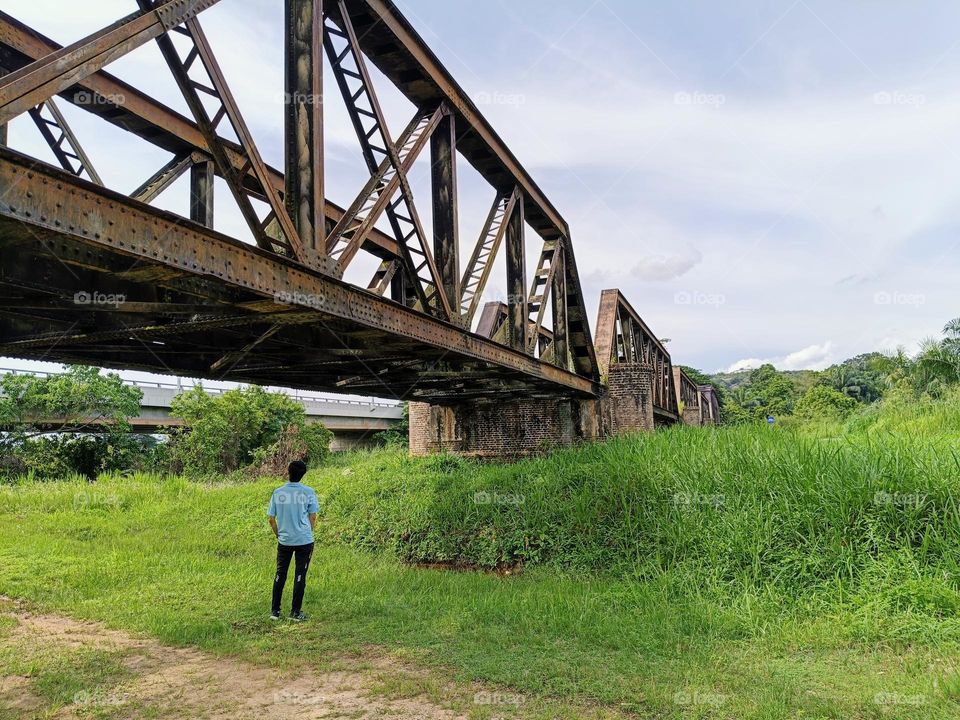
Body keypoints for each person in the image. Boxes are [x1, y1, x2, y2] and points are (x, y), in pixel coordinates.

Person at [267, 460, 319, 621]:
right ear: (303, 474)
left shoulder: (278, 492)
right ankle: (296, 612)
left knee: (280, 574)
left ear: (288, 471)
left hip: (285, 540)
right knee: (300, 575)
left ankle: (275, 611)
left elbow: (271, 519)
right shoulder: (308, 492)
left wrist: (279, 534)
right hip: (304, 540)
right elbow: (313, 516)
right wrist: (306, 531)